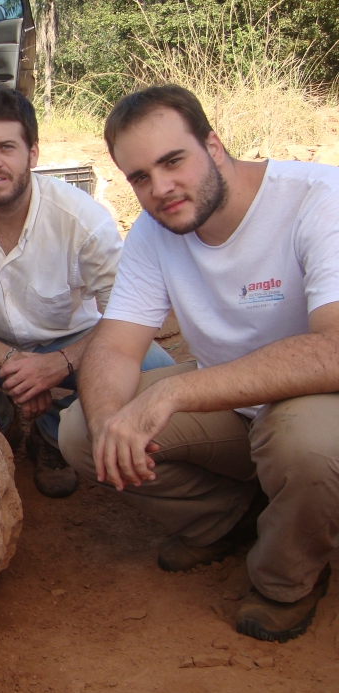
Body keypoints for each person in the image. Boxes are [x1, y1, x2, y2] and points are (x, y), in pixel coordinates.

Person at [59, 84, 339, 642]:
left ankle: (286, 578)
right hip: (238, 408)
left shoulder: (318, 199)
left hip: (320, 406)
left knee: (305, 442)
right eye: (139, 176)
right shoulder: (154, 232)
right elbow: (115, 345)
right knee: (83, 432)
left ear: (213, 145)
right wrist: (113, 419)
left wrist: (171, 393)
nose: (160, 188)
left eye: (172, 161)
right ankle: (226, 519)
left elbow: (333, 348)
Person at [0, 86, 173, 498]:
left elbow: (127, 316)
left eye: (6, 147)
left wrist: (57, 364)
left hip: (78, 345)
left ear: (33, 154)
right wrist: (13, 362)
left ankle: (54, 429)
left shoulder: (81, 218)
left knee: (156, 375)